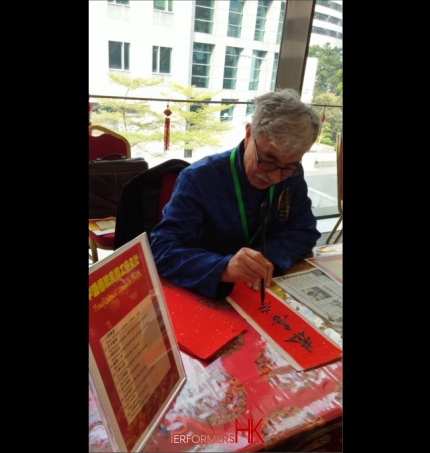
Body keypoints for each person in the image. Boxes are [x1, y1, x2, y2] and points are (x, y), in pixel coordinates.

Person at [150, 88, 321, 300]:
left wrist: (265, 259)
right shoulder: (199, 179)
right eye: (268, 161)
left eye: (288, 166)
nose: (275, 177)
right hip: (208, 295)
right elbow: (162, 250)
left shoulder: (292, 176)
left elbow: (304, 230)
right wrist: (223, 267)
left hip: (262, 291)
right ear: (249, 134)